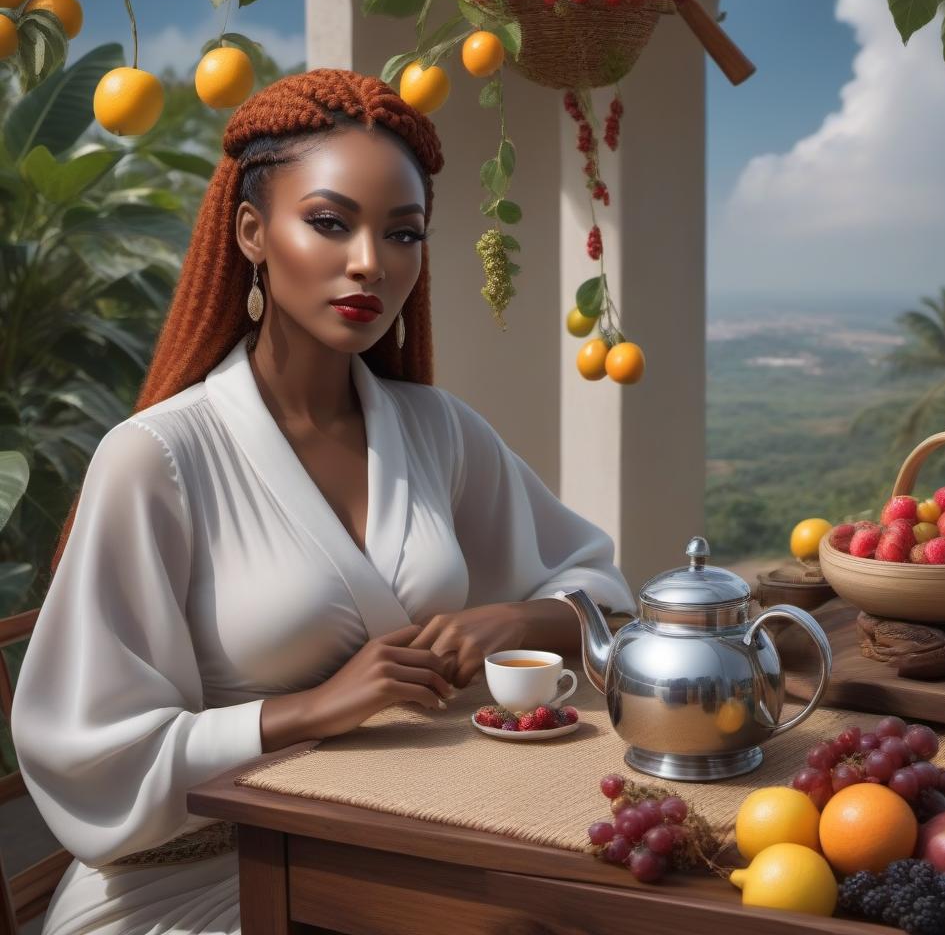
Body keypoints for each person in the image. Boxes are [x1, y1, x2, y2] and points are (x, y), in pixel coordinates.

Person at [10, 68, 636, 935]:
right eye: (331, 223)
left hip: (393, 852)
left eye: (404, 233)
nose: (372, 263)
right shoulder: (157, 457)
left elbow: (605, 594)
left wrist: (518, 622)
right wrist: (309, 709)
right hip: (201, 884)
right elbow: (93, 755)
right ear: (253, 232)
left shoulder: (435, 430)